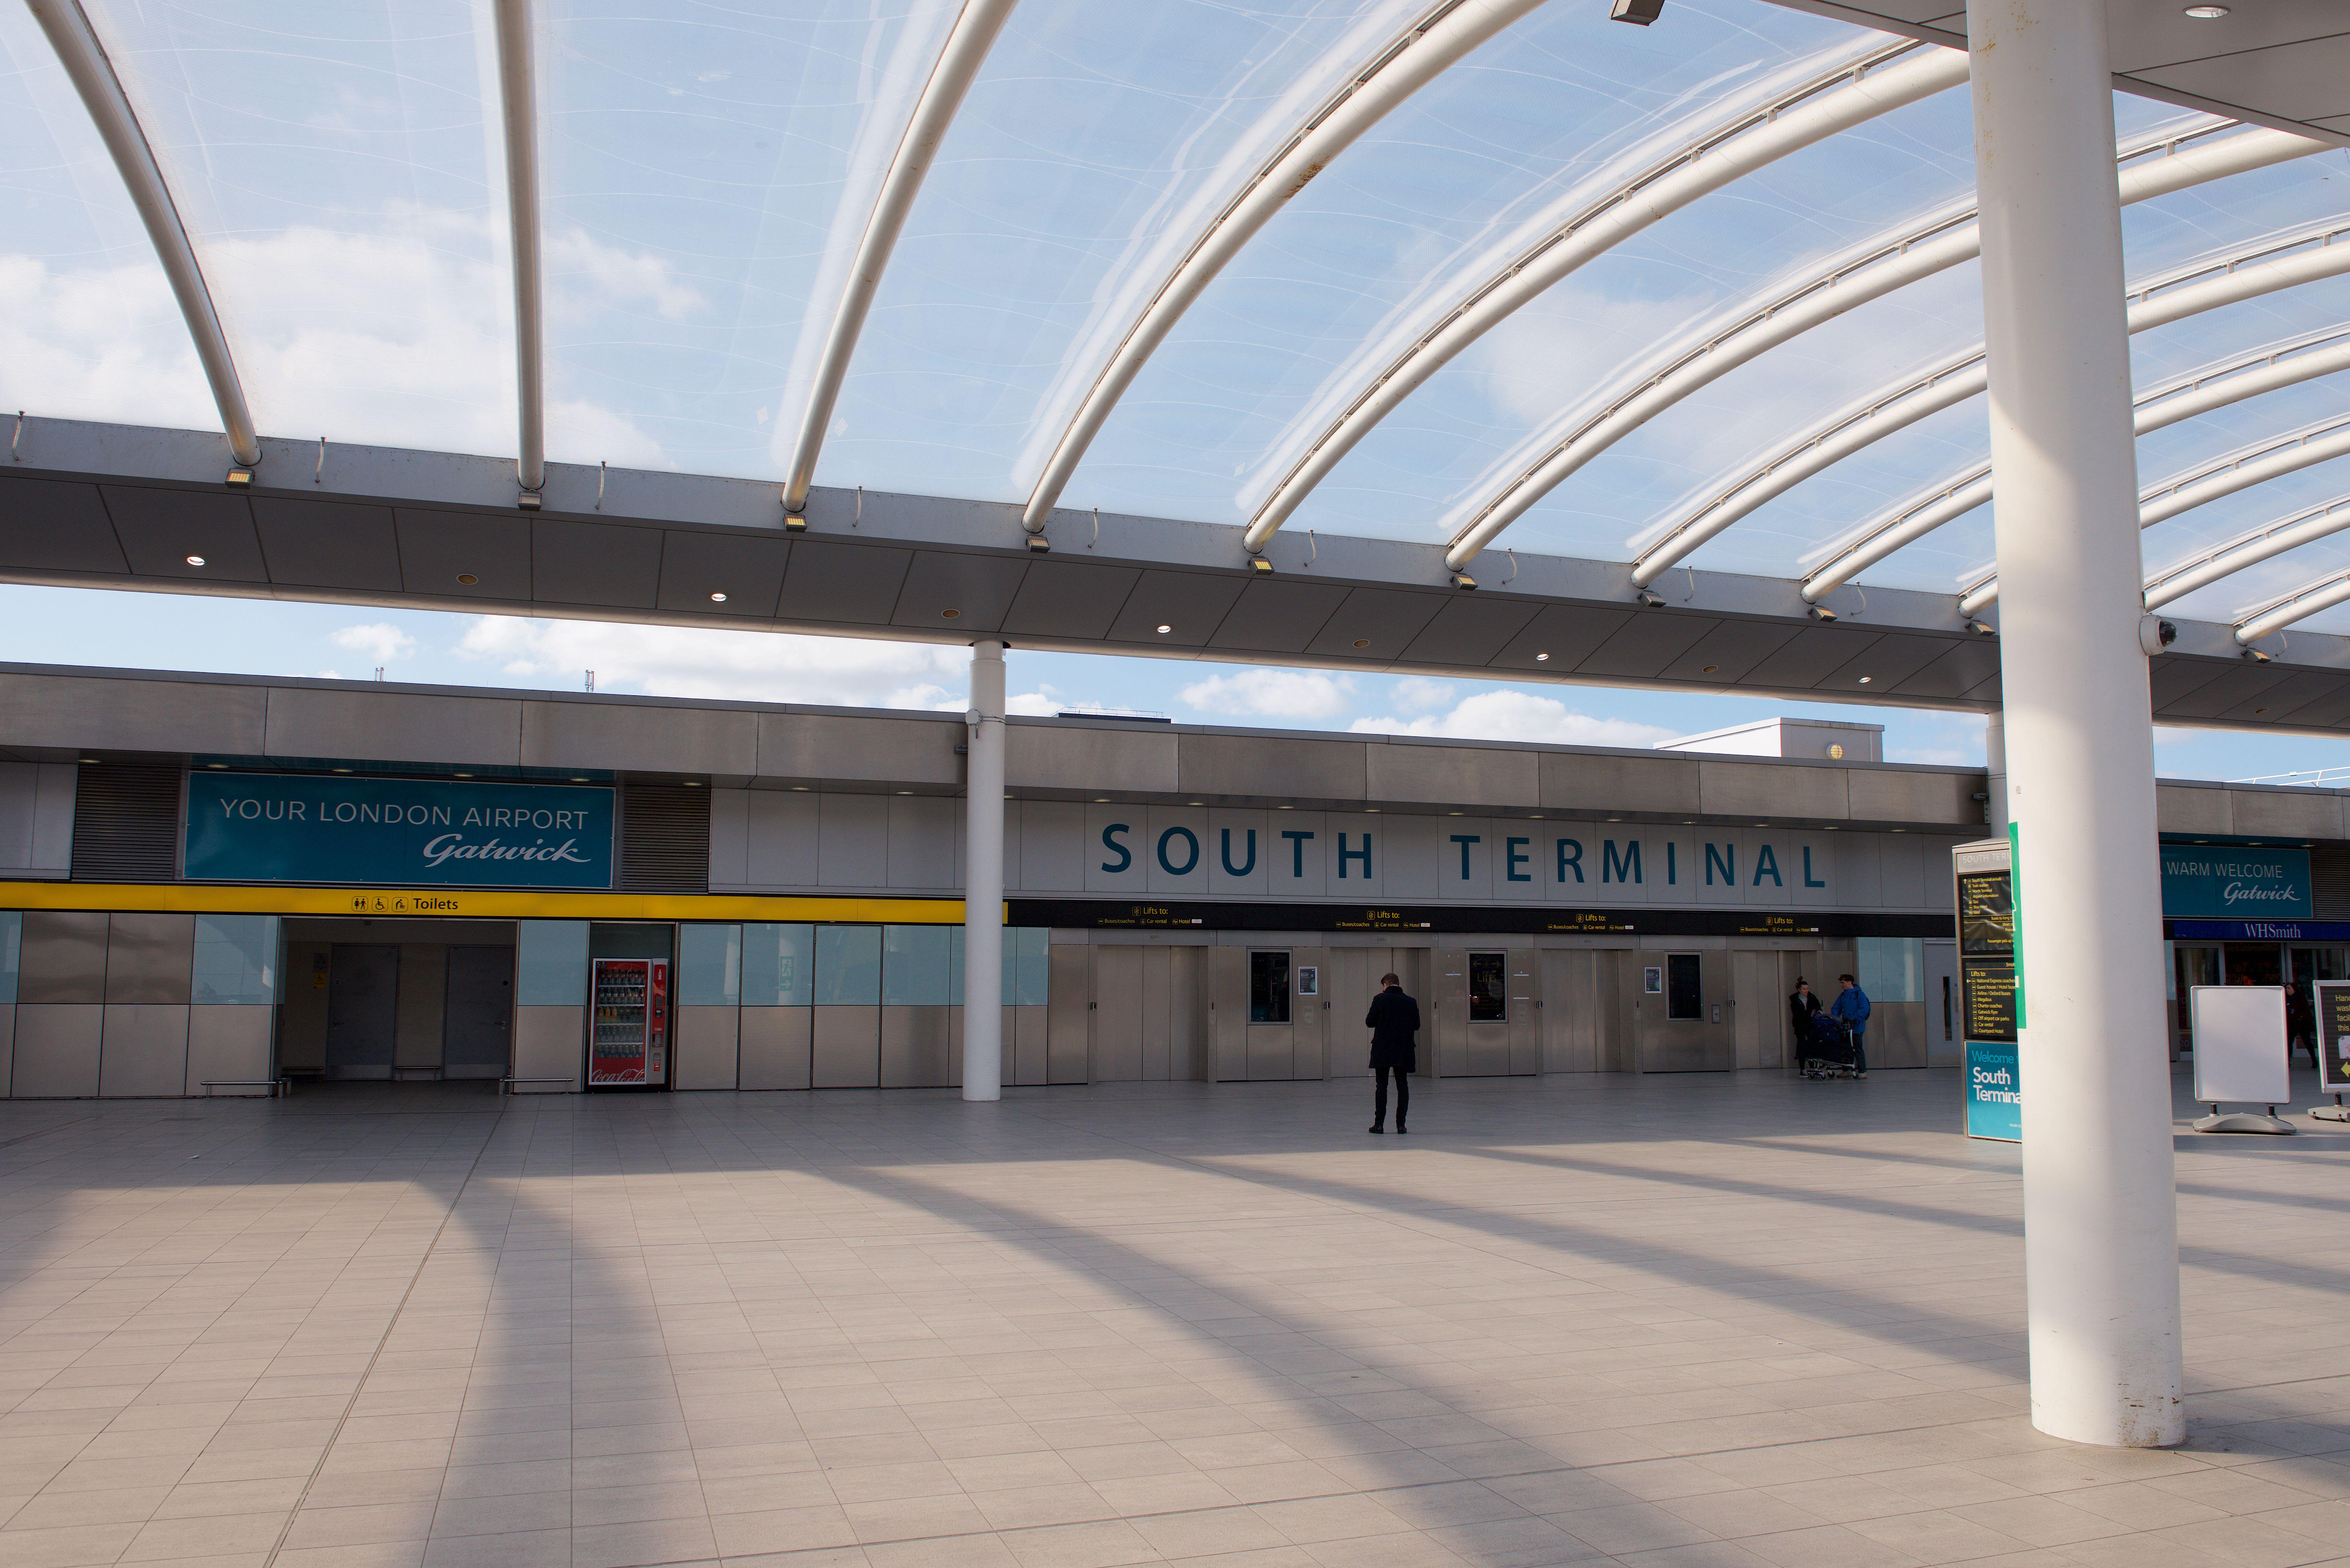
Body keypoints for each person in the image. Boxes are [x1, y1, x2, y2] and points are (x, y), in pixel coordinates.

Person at [1365, 972, 1420, 1134]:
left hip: (1383, 1049)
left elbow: (1370, 1023)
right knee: (1403, 1085)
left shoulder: (1380, 999)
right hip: (1404, 1049)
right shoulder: (1410, 1002)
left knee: (1382, 1086)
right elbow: (1417, 1025)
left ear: (1386, 985)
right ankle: (1401, 1125)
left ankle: (1379, 1124)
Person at [1830, 972, 1872, 1078]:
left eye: (1843, 983)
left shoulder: (1859, 994)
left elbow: (1865, 1009)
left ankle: (1862, 1071)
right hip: (1846, 1027)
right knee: (1846, 1048)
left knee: (1857, 1048)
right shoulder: (1843, 995)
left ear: (1850, 983)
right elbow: (1836, 1008)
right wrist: (1837, 1019)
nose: (1841, 985)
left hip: (1857, 1027)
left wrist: (1855, 1018)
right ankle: (1847, 1069)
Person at [1787, 978, 1819, 1061]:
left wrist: (1817, 1012)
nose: (1806, 991)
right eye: (1804, 989)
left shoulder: (1812, 998)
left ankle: (1814, 1067)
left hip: (1811, 1025)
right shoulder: (1795, 1000)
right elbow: (1796, 1013)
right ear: (1799, 990)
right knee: (1802, 1044)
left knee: (1812, 1044)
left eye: (1807, 989)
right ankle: (1803, 1069)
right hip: (1800, 1025)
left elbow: (1819, 1008)